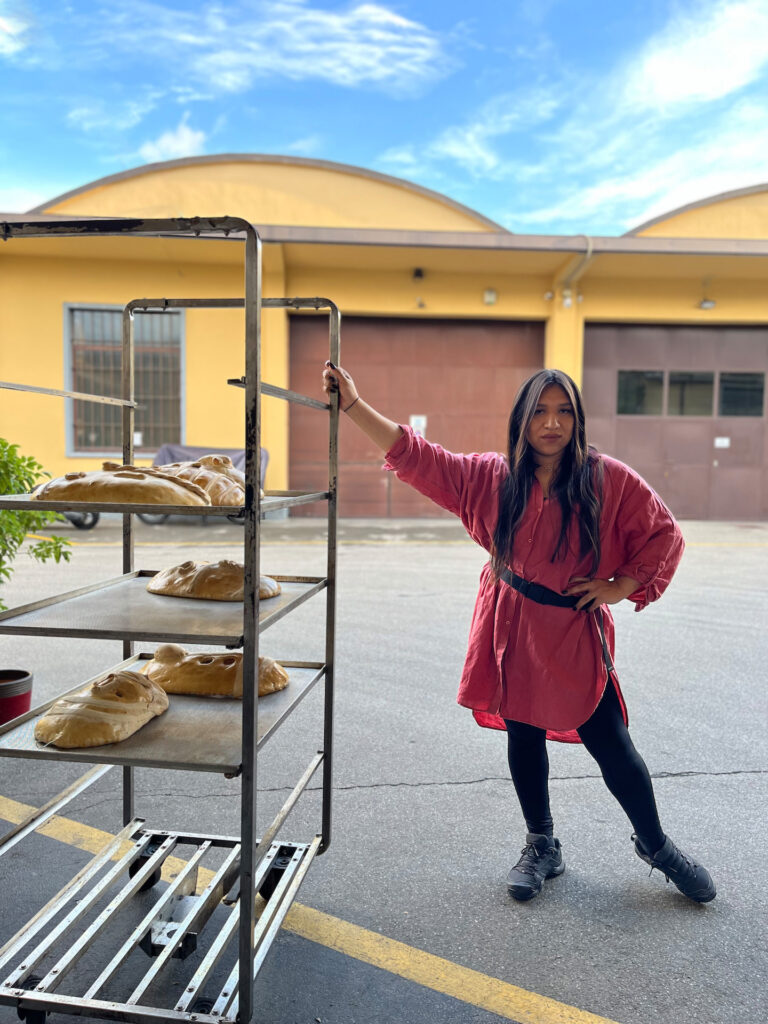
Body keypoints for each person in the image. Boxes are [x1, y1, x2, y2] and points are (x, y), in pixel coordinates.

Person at [322, 361, 716, 904]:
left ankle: (656, 845)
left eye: (564, 412)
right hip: (508, 624)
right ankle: (542, 844)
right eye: (540, 412)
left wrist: (620, 585)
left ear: (577, 420)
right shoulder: (493, 477)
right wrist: (352, 406)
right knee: (523, 735)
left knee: (612, 744)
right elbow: (419, 455)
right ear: (521, 420)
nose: (551, 424)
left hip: (572, 630)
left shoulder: (608, 479)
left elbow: (663, 535)